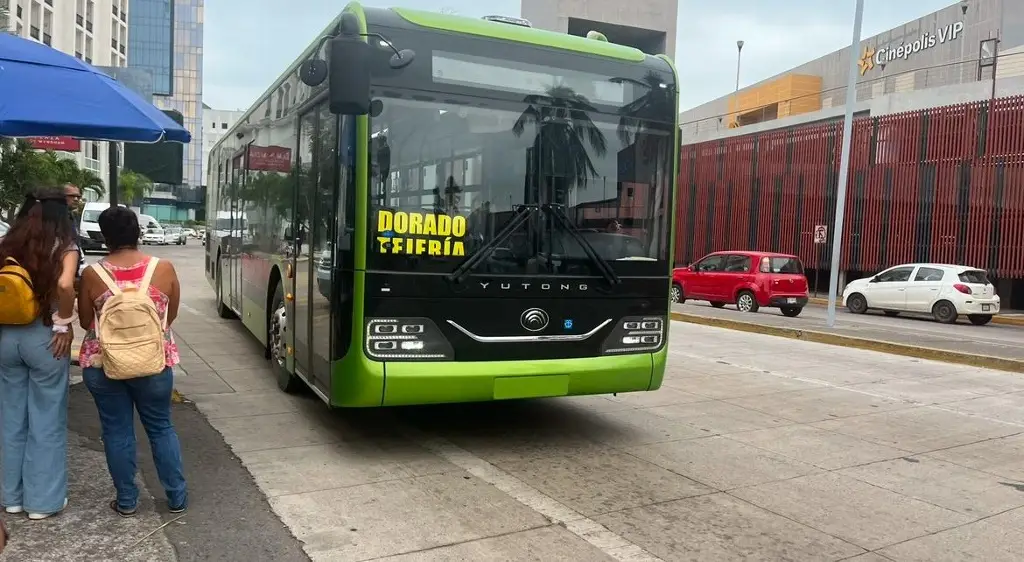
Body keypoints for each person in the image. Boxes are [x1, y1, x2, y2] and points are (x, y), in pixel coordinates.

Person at [77, 206, 188, 516]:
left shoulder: (92, 274)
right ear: (138, 233)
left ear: (105, 236)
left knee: (116, 431)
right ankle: (177, 497)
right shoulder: (163, 268)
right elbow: (169, 316)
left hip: (103, 363)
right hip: (153, 360)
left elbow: (87, 320)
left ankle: (127, 501)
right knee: (161, 427)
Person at [0, 189, 79, 521]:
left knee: (10, 417)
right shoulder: (65, 245)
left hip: (7, 337)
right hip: (45, 337)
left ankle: (11, 498)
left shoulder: (8, 243)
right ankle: (43, 502)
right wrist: (63, 325)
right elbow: (64, 285)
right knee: (46, 418)